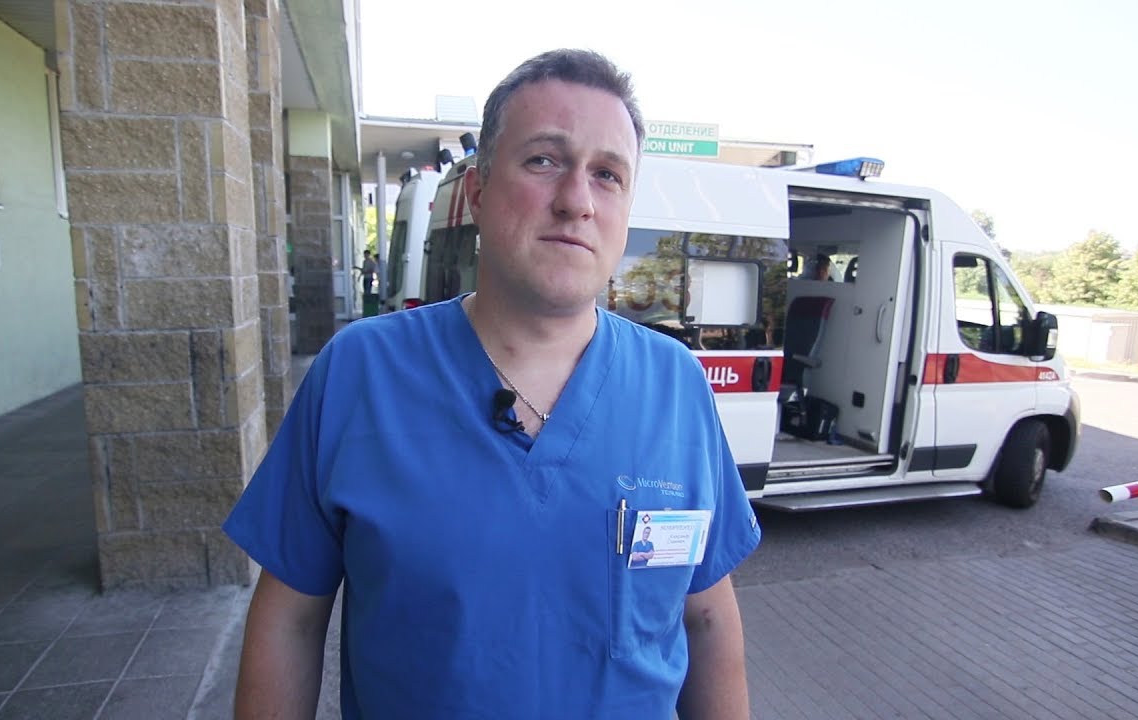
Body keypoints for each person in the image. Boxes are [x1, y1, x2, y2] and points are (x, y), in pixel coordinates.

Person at [223, 48, 761, 720]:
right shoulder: (361, 374)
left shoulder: (674, 384)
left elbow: (706, 618)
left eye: (607, 174)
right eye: (544, 160)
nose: (577, 201)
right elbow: (291, 620)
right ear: (477, 192)